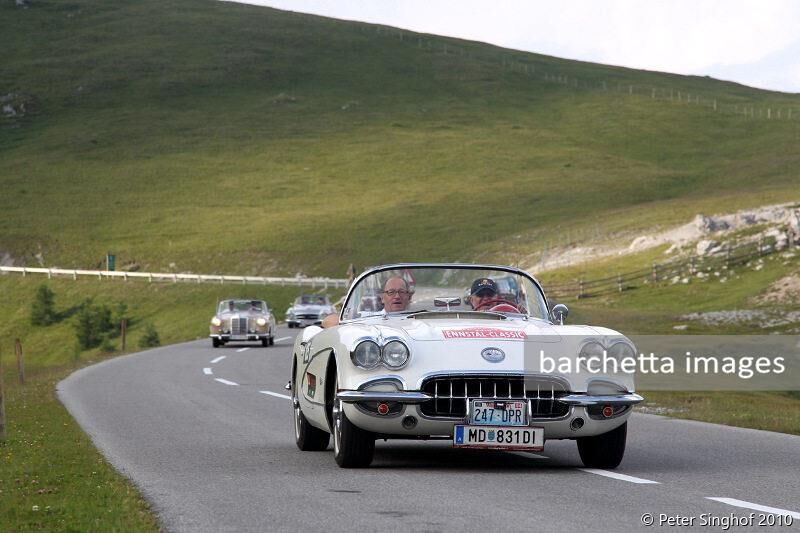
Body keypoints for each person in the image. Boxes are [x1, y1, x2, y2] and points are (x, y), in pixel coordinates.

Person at [321, 275, 412, 327]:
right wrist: (345, 320)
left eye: (402, 292)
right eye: (391, 292)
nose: (397, 296)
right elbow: (327, 321)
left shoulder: (420, 320)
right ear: (382, 297)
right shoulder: (369, 318)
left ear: (408, 296)